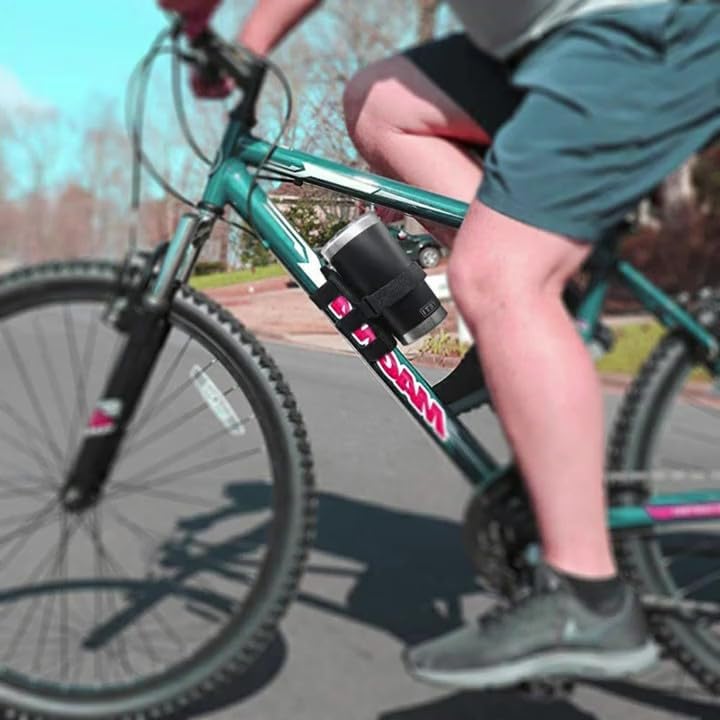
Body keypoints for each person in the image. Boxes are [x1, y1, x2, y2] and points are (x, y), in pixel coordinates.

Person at [159, 0, 720, 690]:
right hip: (545, 49)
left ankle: (588, 596)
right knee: (377, 104)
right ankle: (535, 317)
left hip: (640, 30)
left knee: (497, 276)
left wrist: (248, 42)